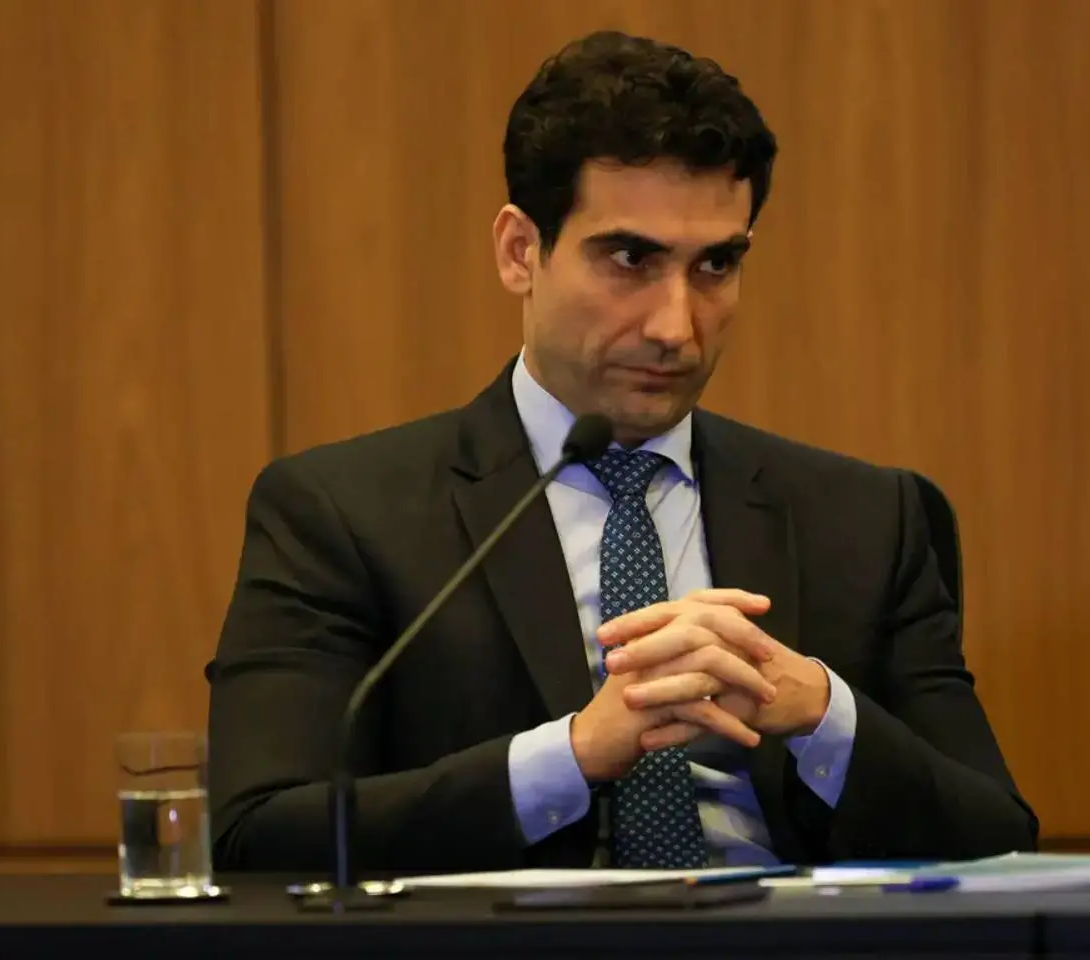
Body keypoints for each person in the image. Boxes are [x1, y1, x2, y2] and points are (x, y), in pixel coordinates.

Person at [206, 30, 1037, 874]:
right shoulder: (342, 514)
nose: (676, 326)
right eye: (630, 258)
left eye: (716, 265)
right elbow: (260, 833)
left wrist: (823, 713)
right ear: (520, 252)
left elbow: (998, 839)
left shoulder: (865, 520)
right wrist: (569, 756)